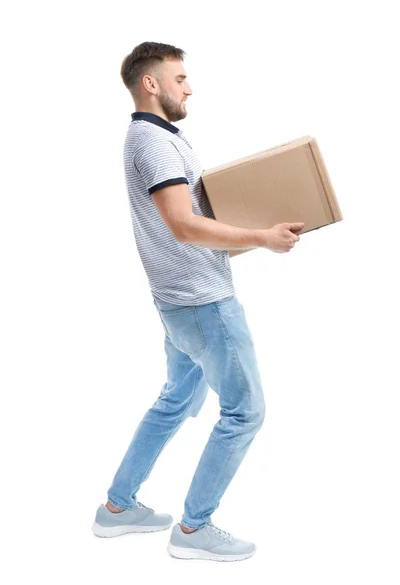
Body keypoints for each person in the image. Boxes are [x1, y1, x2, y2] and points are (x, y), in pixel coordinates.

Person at [91, 41, 303, 562]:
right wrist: (262, 237)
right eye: (180, 78)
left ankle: (117, 509)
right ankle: (194, 529)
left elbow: (191, 212)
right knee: (245, 411)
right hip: (204, 304)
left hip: (177, 302)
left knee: (178, 401)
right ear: (151, 84)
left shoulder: (159, 136)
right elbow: (183, 226)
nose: (189, 87)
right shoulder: (153, 143)